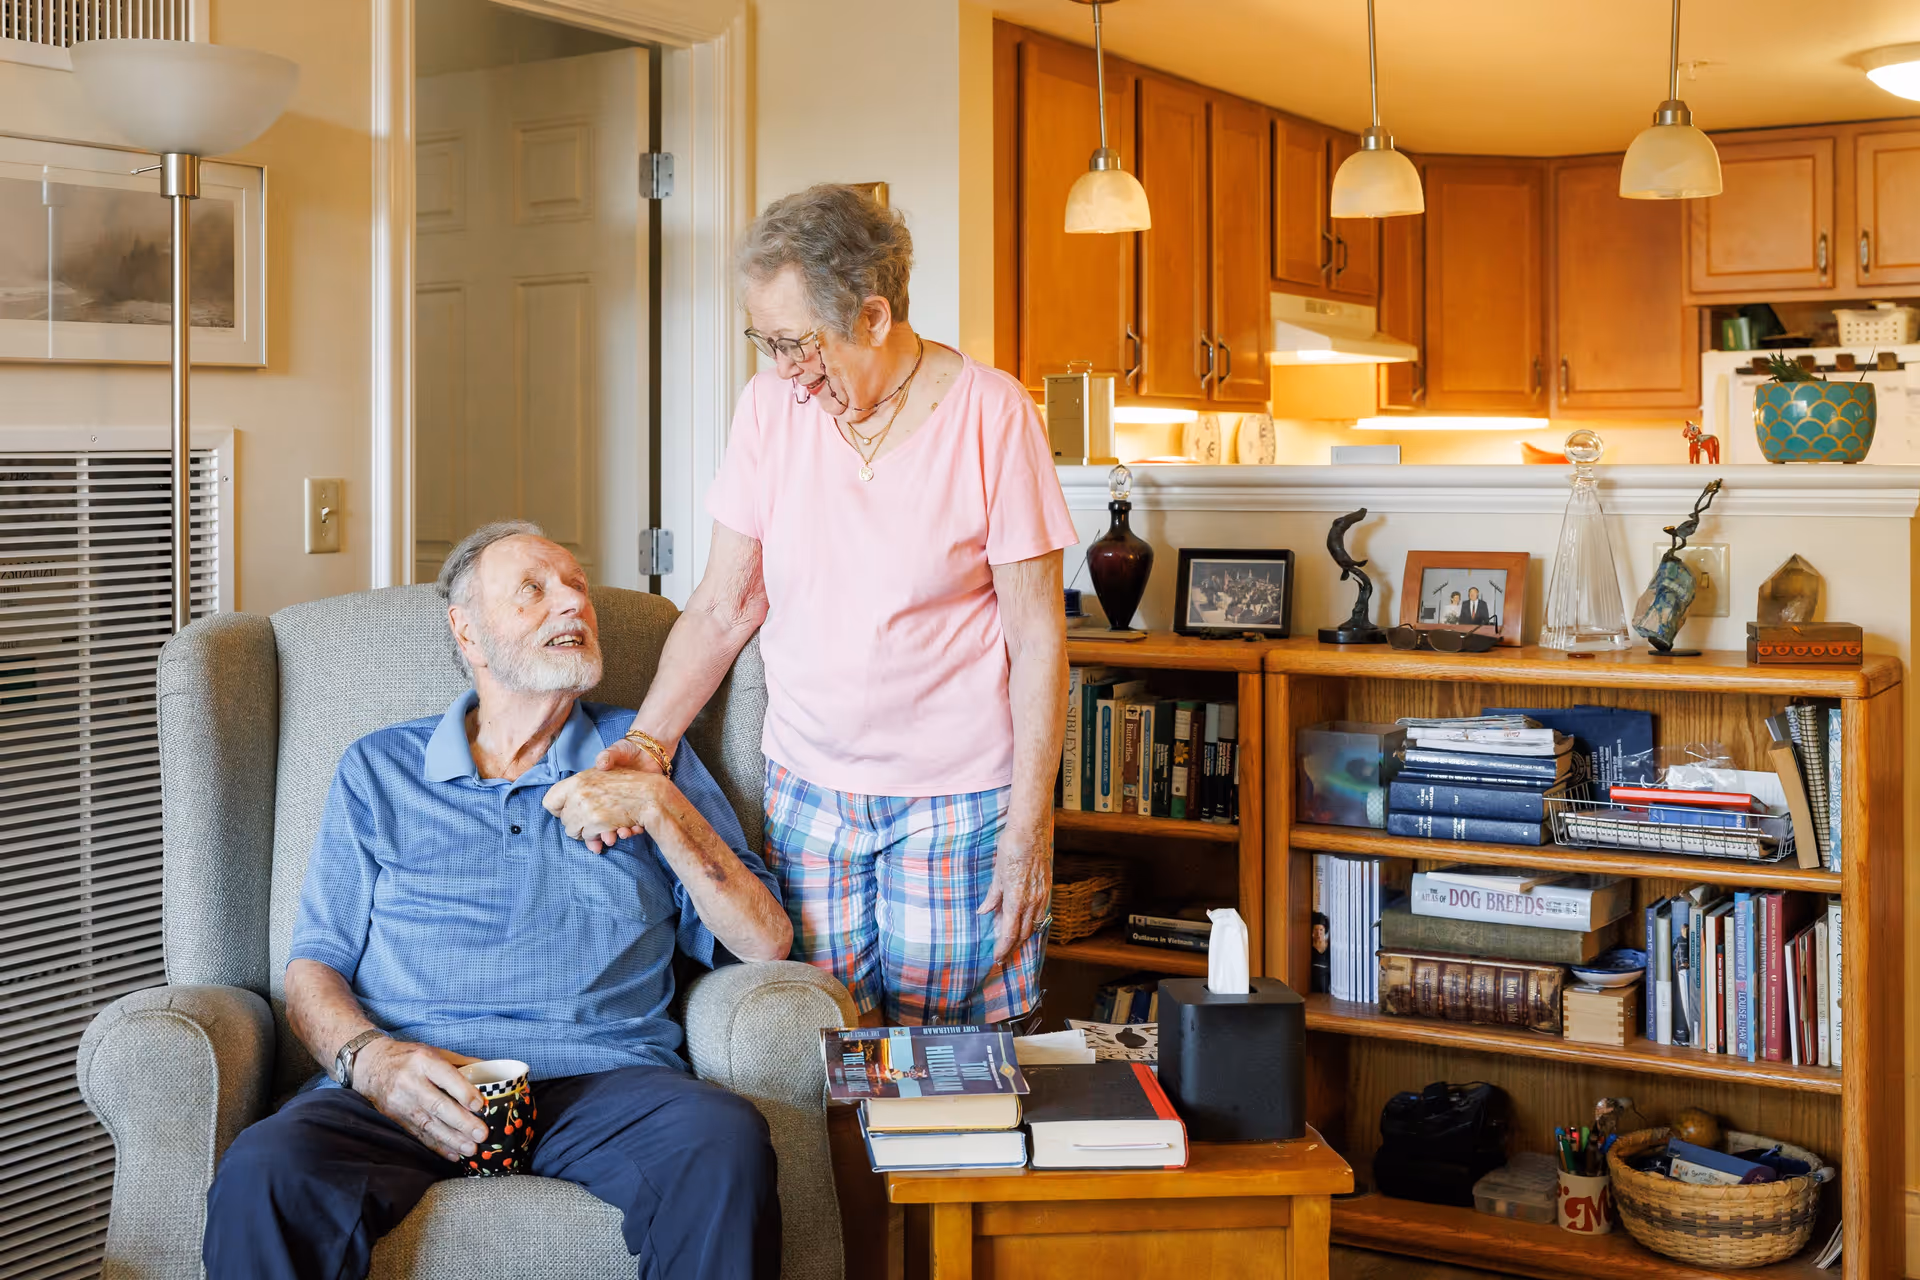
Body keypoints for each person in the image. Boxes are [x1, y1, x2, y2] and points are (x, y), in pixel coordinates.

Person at [202, 522, 792, 1280]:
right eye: (534, 591)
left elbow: (766, 943)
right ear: (469, 632)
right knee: (267, 1172)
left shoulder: (646, 761)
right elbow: (315, 966)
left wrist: (656, 803)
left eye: (577, 586)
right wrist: (372, 1061)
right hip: (413, 1079)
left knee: (722, 1143)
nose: (571, 605)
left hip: (601, 1081)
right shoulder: (380, 769)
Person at [551, 184, 1075, 1029]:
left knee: (943, 1063)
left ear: (873, 317)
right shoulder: (769, 410)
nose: (785, 372)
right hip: (811, 796)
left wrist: (1028, 829)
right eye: (765, 342)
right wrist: (646, 743)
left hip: (958, 799)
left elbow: (1037, 638)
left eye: (797, 344)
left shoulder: (992, 416)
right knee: (823, 1045)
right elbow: (725, 606)